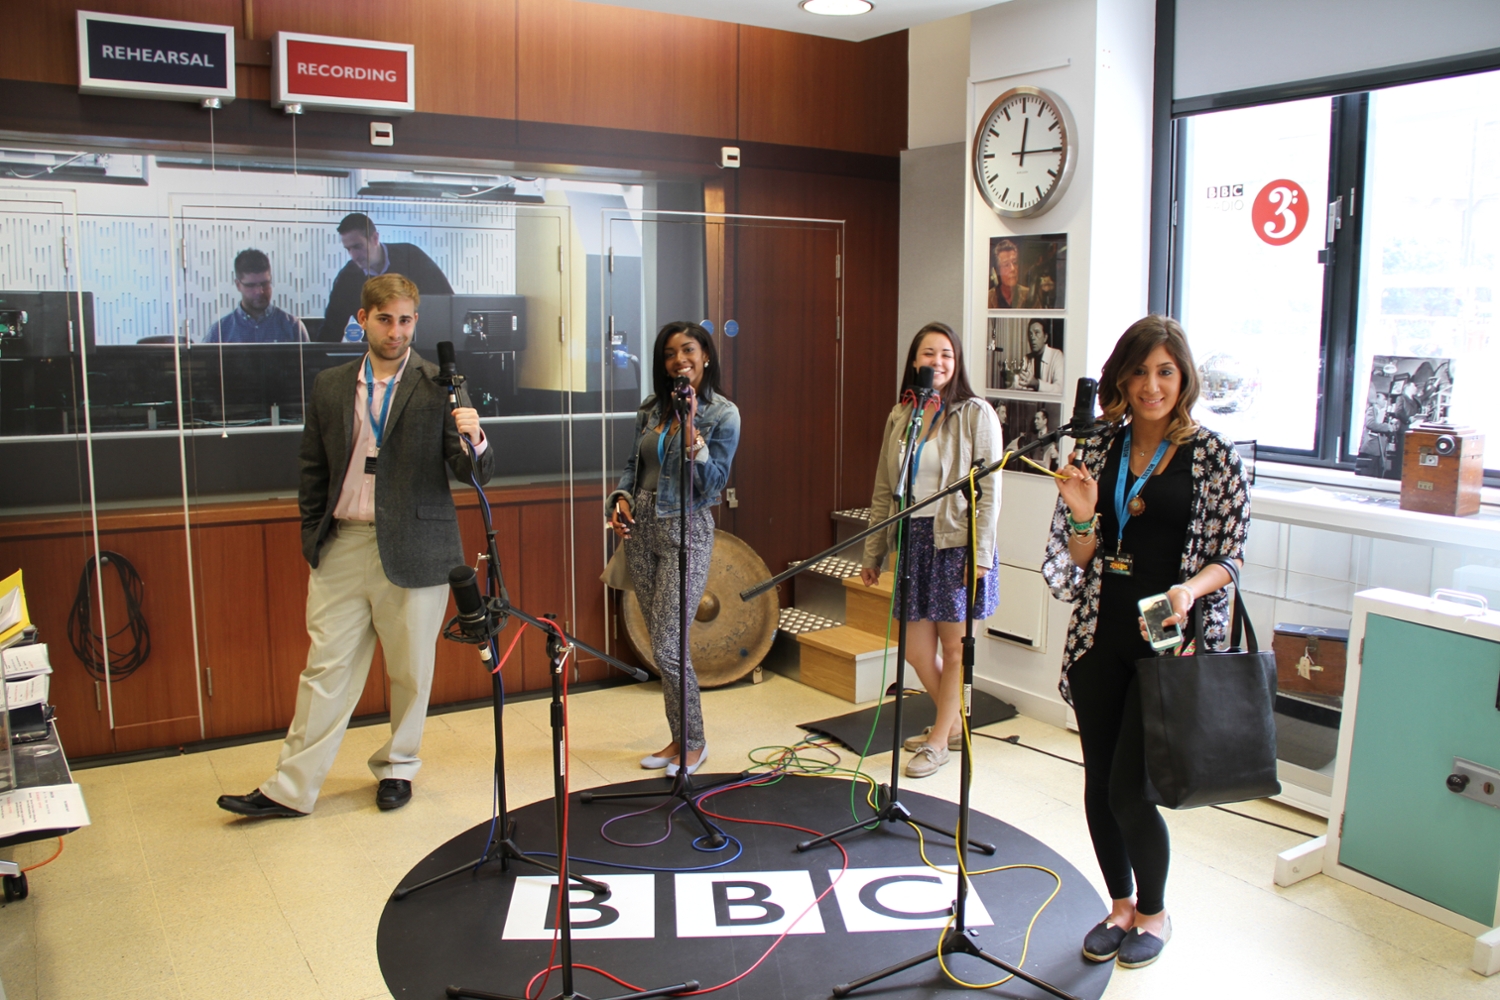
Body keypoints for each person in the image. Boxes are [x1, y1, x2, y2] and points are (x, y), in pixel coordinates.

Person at [217, 274, 494, 818]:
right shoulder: (331, 384)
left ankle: (398, 767)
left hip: (417, 548)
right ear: (363, 318)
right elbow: (312, 466)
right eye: (386, 319)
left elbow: (472, 471)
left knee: (411, 671)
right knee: (325, 669)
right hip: (342, 544)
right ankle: (290, 789)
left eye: (406, 320)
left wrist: (476, 437)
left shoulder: (439, 384)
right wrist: (311, 537)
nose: (397, 331)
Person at [1043, 315, 1250, 969]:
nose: (1152, 385)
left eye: (1165, 371)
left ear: (1183, 376)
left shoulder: (1211, 453)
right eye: (1139, 371)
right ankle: (1120, 904)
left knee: (1132, 790)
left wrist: (1191, 591)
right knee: (1100, 781)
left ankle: (1155, 910)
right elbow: (1080, 556)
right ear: (1122, 378)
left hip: (1167, 638)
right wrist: (1080, 509)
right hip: (1100, 632)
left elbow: (1230, 556)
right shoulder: (1103, 449)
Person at [860, 321, 1002, 778]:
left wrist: (980, 555)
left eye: (946, 354)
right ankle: (954, 721)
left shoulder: (976, 413)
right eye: (928, 353)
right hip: (914, 542)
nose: (936, 362)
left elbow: (991, 489)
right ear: (914, 361)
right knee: (917, 651)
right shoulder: (901, 416)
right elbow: (885, 489)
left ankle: (940, 740)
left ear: (956, 363)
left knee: (955, 647)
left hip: (957, 541)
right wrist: (873, 551)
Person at [607, 322, 740, 778]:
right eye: (669, 353)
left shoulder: (722, 414)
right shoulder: (650, 408)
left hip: (687, 529)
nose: (678, 359)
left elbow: (713, 484)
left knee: (667, 645)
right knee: (662, 642)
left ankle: (695, 742)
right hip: (640, 528)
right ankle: (678, 736)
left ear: (705, 356)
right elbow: (632, 465)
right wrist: (620, 500)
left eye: (688, 350)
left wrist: (690, 430)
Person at [321, 213, 454, 343]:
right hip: (378, 354)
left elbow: (447, 302)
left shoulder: (411, 257)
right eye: (348, 249)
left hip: (420, 347)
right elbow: (331, 328)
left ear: (374, 238)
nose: (353, 255)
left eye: (357, 247)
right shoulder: (347, 278)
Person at [203, 249, 309, 343]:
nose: (259, 291)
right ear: (238, 285)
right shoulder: (219, 332)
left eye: (264, 284)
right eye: (251, 286)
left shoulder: (293, 327)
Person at [1011, 319, 1064, 393]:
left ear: (1045, 337)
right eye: (1030, 334)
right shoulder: (1026, 358)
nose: (1032, 338)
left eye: (1037, 333)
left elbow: (1059, 389)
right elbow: (1018, 386)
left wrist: (1036, 384)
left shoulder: (1057, 355)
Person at [1010, 406, 1060, 472]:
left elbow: (1059, 458)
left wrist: (1056, 456)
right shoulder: (1031, 436)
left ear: (1045, 421)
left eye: (1038, 419)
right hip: (1032, 472)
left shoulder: (1053, 437)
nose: (1035, 421)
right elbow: (1026, 454)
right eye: (1035, 419)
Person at [988, 239, 1019, 309]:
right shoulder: (988, 298)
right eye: (1006, 265)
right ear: (996, 270)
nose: (1013, 269)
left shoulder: (1029, 295)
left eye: (1015, 263)